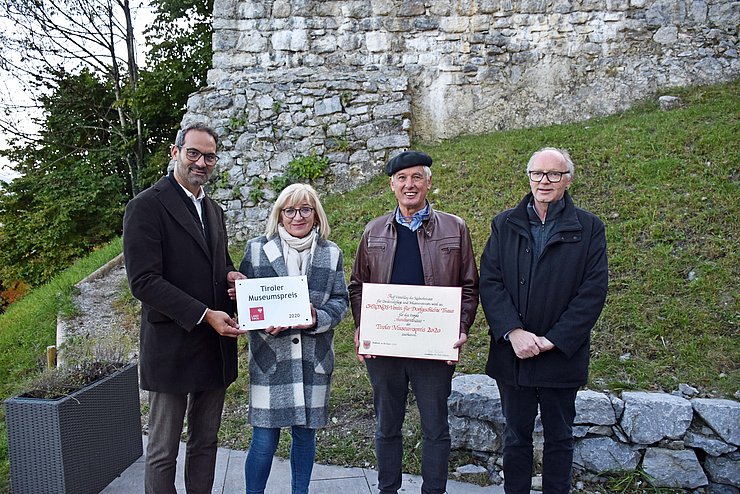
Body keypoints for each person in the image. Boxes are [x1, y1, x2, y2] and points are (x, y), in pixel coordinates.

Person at [124, 122, 246, 494]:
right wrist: (204, 314)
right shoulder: (145, 206)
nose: (201, 162)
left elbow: (218, 262)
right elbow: (143, 281)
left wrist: (231, 276)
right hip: (172, 345)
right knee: (162, 451)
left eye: (209, 156)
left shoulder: (213, 209)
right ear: (175, 153)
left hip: (213, 345)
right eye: (193, 153)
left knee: (206, 443)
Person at [348, 151, 479, 494]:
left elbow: (469, 286)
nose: (410, 185)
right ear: (391, 184)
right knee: (387, 426)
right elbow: (358, 285)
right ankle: (387, 489)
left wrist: (460, 327)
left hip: (433, 347)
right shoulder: (374, 230)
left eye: (417, 177)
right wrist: (363, 326)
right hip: (386, 347)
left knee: (436, 427)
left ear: (429, 182)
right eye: (402, 178)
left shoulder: (455, 228)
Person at [478, 147, 608, 494]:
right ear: (529, 177)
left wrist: (552, 340)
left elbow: (592, 292)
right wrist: (513, 332)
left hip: (560, 355)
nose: (544, 181)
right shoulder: (505, 223)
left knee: (560, 438)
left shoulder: (589, 228)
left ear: (568, 180)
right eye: (537, 174)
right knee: (516, 437)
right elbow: (490, 281)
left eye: (553, 174)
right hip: (513, 354)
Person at [232, 183, 349, 494]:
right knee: (263, 440)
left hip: (314, 360)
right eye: (290, 210)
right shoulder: (258, 249)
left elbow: (340, 300)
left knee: (305, 436)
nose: (298, 216)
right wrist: (262, 322)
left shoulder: (331, 252)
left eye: (306, 209)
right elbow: (245, 303)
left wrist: (317, 318)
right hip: (271, 359)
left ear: (316, 214)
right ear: (279, 215)